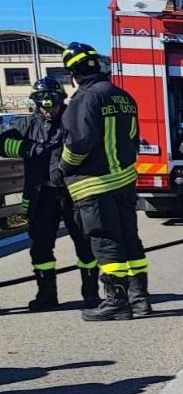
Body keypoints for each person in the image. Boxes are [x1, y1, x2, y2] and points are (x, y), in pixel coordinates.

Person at [54, 42, 150, 321]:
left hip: (94, 185)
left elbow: (78, 143)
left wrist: (63, 168)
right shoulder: (123, 96)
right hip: (124, 182)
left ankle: (116, 301)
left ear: (74, 72)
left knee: (106, 243)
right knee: (130, 240)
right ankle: (140, 300)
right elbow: (133, 136)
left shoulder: (84, 99)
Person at [0, 76, 100, 311]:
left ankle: (91, 294)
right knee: (41, 246)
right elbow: (2, 143)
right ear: (36, 103)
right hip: (41, 194)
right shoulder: (26, 125)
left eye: (52, 104)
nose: (49, 110)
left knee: (85, 244)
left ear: (60, 100)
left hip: (72, 193)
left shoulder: (71, 120)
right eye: (43, 105)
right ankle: (46, 296)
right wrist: (27, 148)